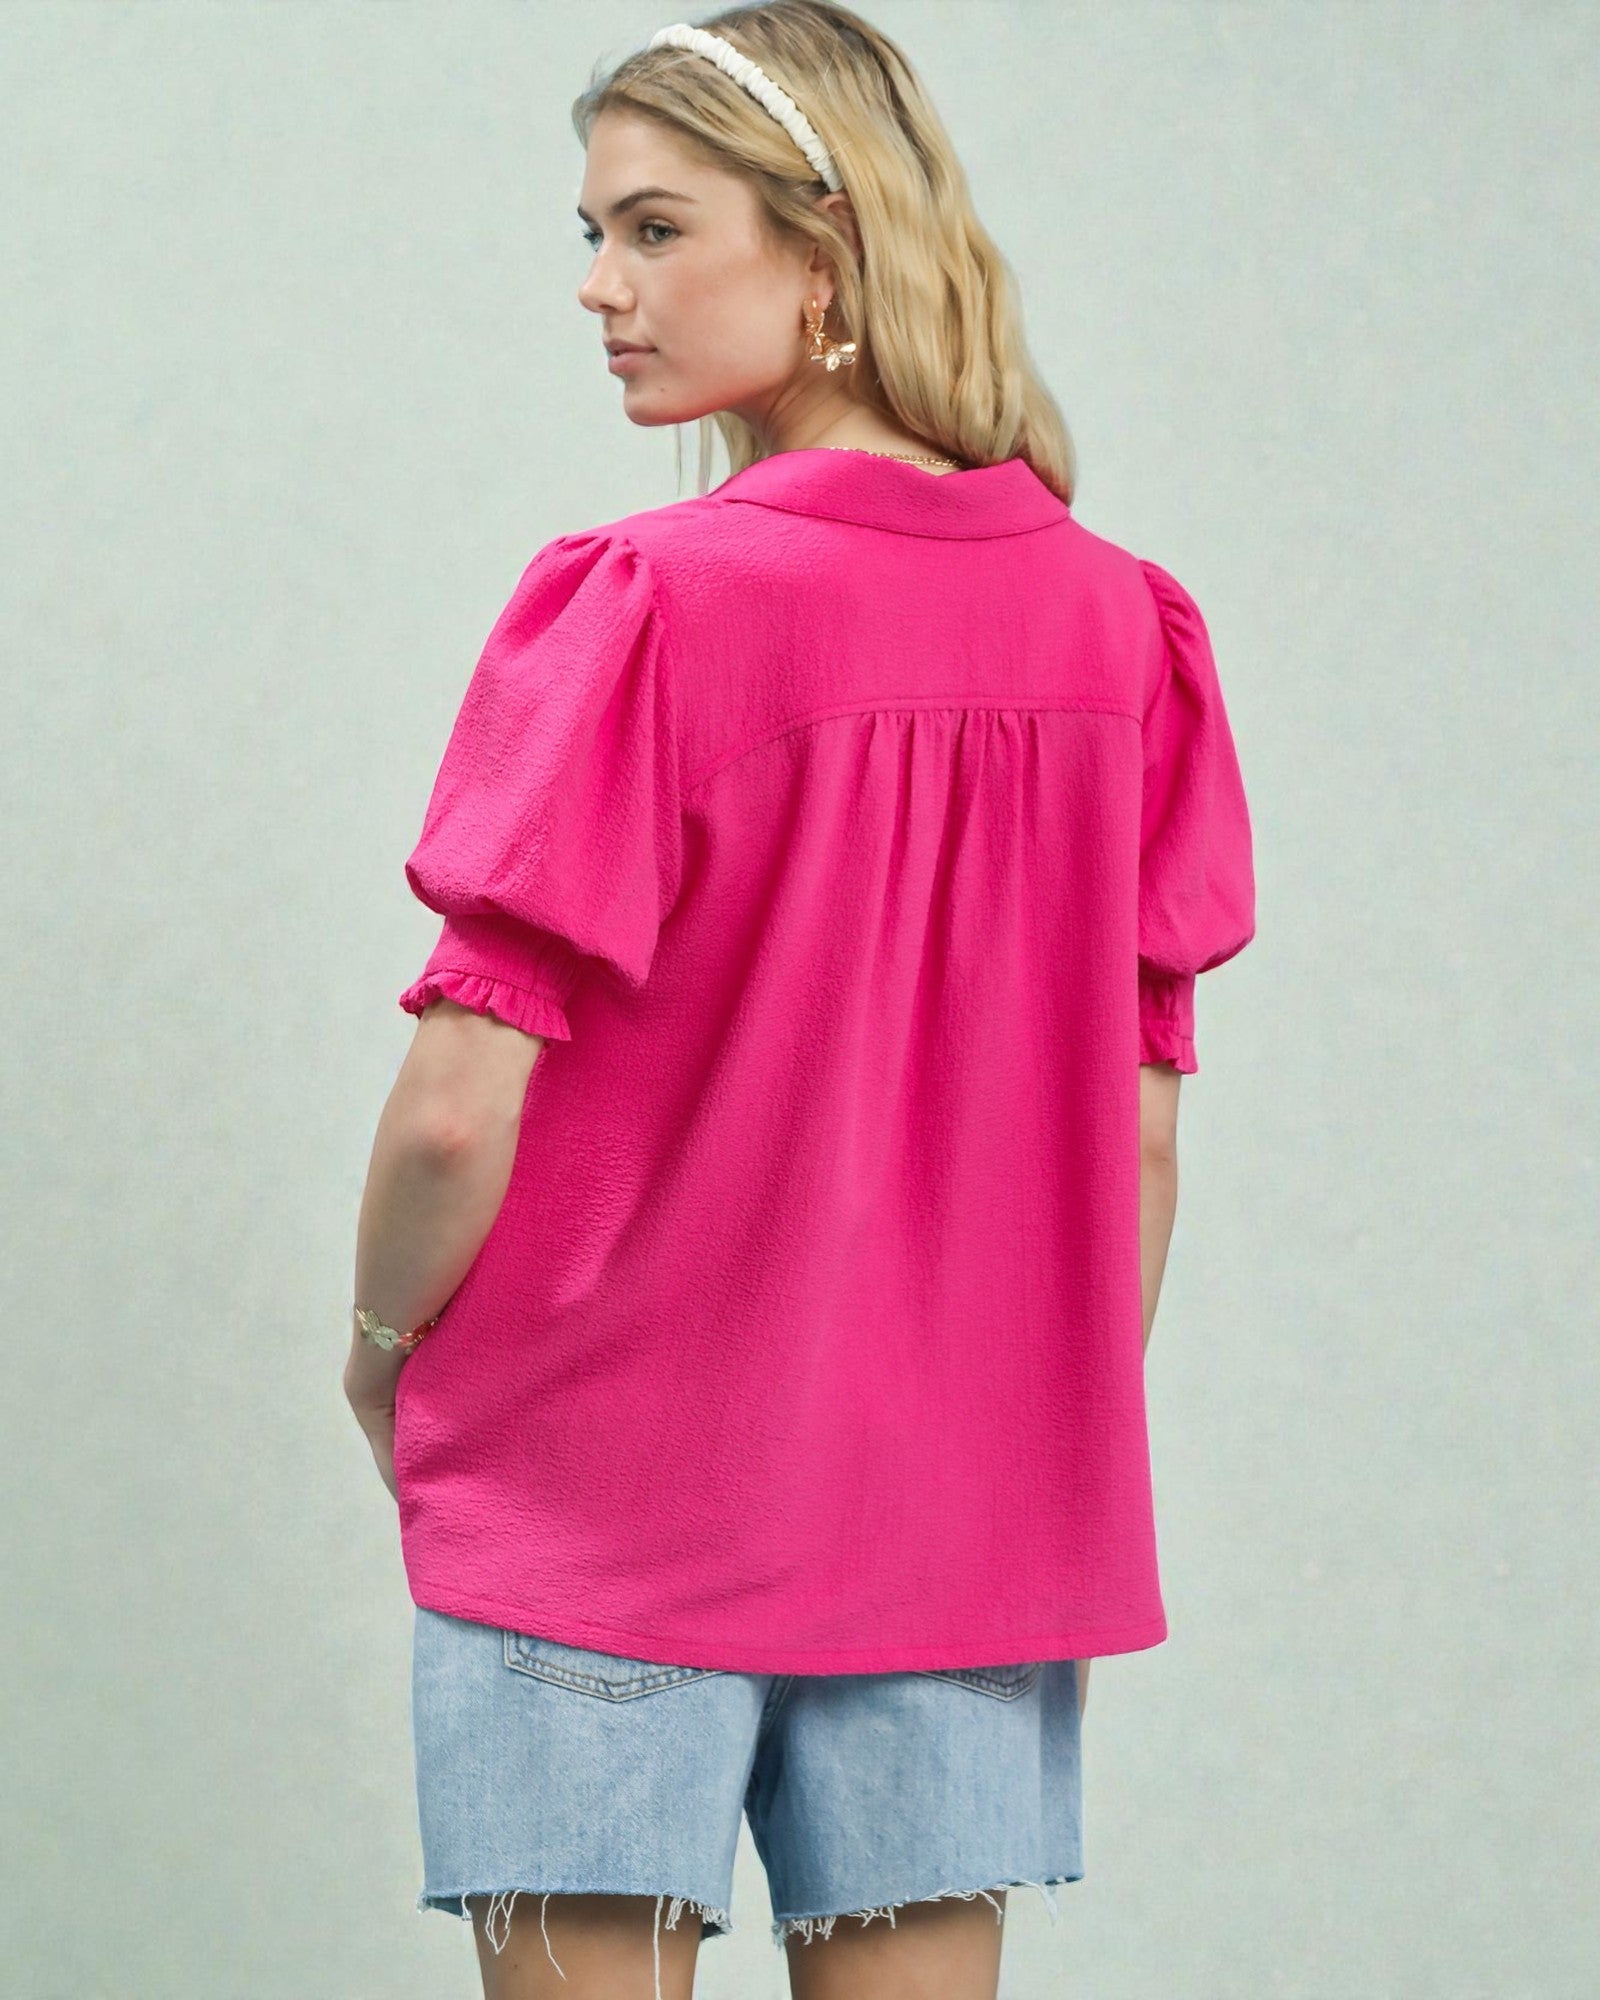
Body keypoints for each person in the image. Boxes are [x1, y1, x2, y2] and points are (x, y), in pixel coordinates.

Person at [342, 5, 1257, 1996]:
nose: (599, 287)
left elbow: (447, 1103)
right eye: (589, 234)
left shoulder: (648, 604)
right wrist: (1001, 1414)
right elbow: (1139, 1135)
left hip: (593, 1495)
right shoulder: (1126, 630)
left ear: (825, 258)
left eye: (654, 230)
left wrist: (378, 1337)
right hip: (959, 1511)